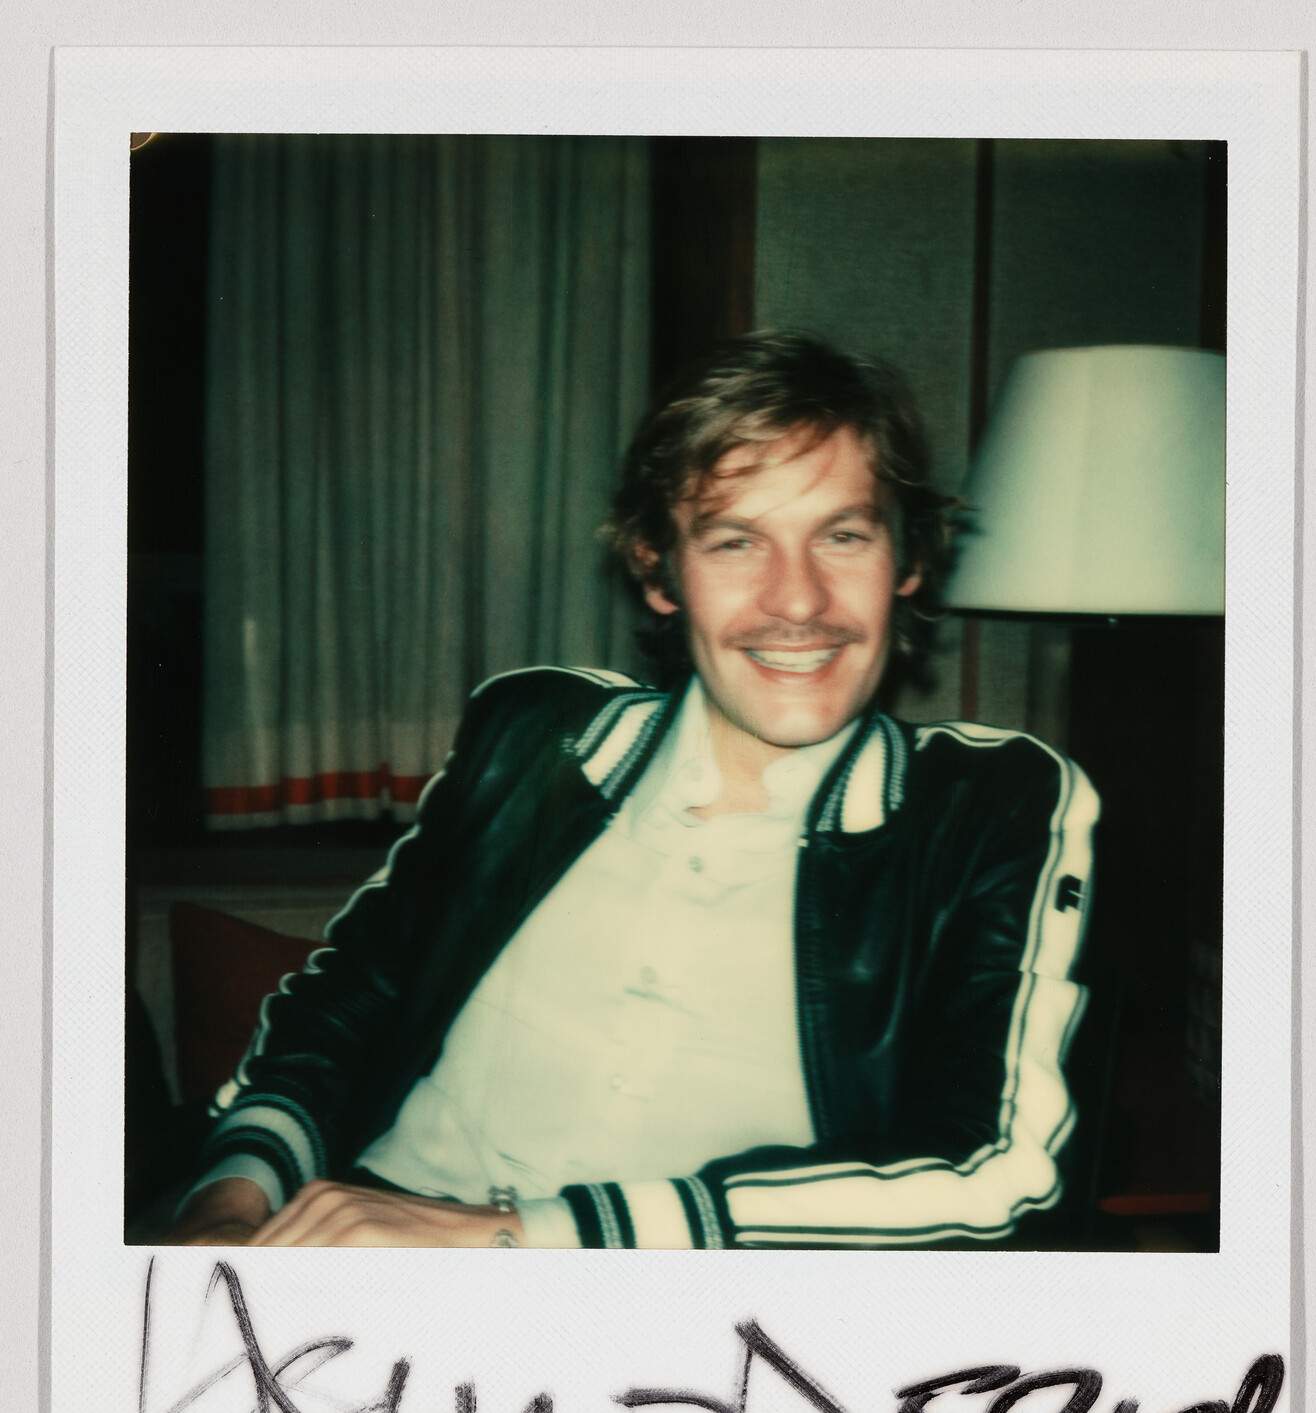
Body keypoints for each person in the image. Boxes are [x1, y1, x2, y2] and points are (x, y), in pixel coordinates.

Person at [168, 331, 1097, 1250]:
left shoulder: (992, 807)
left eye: (842, 536)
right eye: (736, 542)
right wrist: (230, 1197)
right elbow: (346, 1007)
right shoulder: (536, 736)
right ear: (659, 572)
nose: (801, 601)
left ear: (908, 563)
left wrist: (517, 1234)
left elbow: (990, 1171)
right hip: (355, 1251)